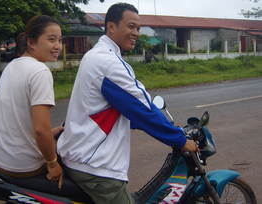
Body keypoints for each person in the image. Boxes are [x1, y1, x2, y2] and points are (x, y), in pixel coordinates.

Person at [56, 3, 199, 203]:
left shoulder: (96, 55)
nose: (136, 33)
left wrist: (140, 122)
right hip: (95, 165)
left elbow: (119, 108)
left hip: (79, 152)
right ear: (111, 27)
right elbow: (142, 108)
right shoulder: (109, 63)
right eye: (131, 26)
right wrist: (180, 139)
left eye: (138, 28)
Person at [0, 15, 64, 188]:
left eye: (59, 40)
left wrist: (50, 132)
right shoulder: (40, 71)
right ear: (31, 43)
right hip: (18, 166)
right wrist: (52, 163)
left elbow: (16, 117)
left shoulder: (12, 65)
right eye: (51, 39)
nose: (58, 46)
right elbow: (41, 131)